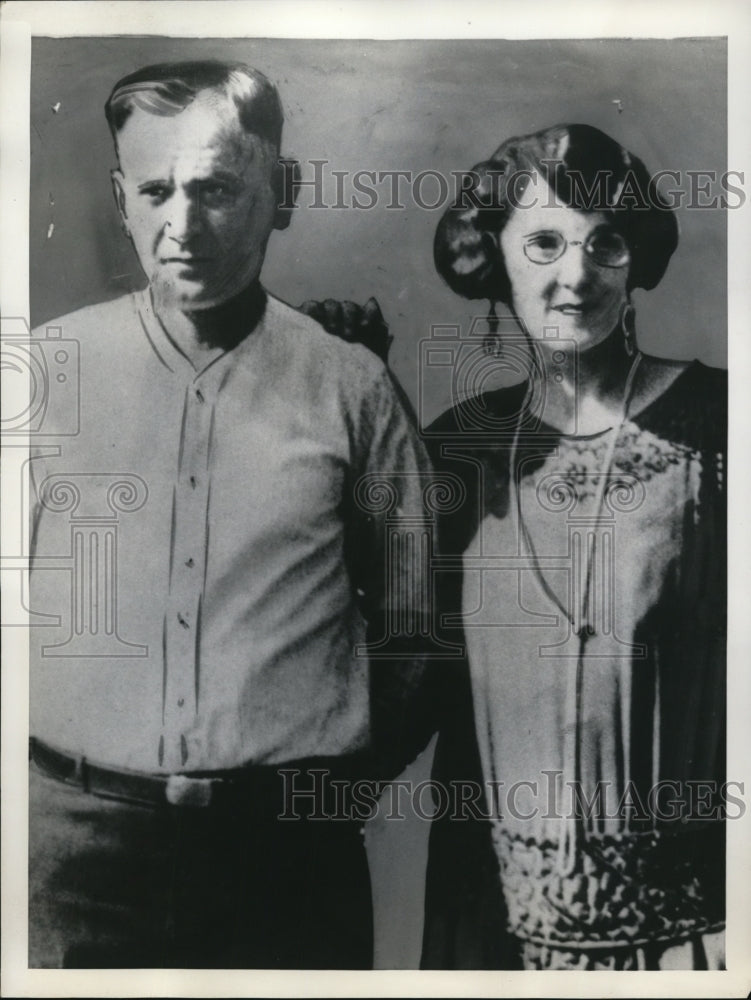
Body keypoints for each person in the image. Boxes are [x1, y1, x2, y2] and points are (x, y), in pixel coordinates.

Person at [28, 60, 435, 969]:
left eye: (216, 188)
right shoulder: (44, 376)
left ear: (280, 193)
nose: (183, 225)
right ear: (121, 197)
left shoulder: (353, 389)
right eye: (157, 190)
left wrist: (329, 799)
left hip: (285, 865)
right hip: (68, 862)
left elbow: (415, 630)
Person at [420, 123, 726, 971]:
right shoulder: (452, 450)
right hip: (490, 933)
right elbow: (394, 686)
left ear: (635, 265)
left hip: (694, 935)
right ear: (496, 257)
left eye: (607, 243)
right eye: (545, 242)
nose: (577, 274)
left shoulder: (721, 425)